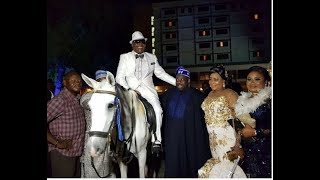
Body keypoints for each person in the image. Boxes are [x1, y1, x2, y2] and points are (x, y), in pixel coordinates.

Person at [115, 31, 176, 152]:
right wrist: (129, 89)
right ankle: (116, 141)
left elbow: (161, 74)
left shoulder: (152, 57)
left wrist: (176, 82)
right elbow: (119, 78)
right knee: (116, 110)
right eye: (137, 42)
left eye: (142, 42)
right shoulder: (125, 57)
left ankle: (157, 140)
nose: (140, 44)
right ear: (132, 44)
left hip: (148, 91)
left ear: (145, 44)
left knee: (158, 110)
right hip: (131, 90)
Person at [161, 66, 211, 178]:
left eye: (182, 79)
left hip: (190, 138)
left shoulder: (198, 96)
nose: (179, 81)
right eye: (177, 79)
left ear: (188, 81)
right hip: (172, 139)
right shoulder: (168, 95)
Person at [198, 65, 246, 178]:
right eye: (210, 79)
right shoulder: (209, 94)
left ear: (223, 80)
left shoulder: (230, 93)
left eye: (216, 79)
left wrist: (238, 144)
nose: (211, 82)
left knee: (228, 170)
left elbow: (239, 120)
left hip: (227, 139)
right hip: (213, 140)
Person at [47, 70, 86, 177]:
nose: (77, 83)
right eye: (73, 80)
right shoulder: (61, 100)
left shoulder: (77, 99)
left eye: (79, 81)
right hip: (62, 154)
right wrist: (57, 143)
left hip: (76, 152)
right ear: (65, 83)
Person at [235, 65, 271, 178]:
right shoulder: (242, 101)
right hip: (248, 154)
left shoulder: (270, 100)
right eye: (249, 79)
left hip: (266, 154)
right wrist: (238, 144)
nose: (252, 82)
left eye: (257, 79)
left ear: (266, 82)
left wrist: (256, 133)